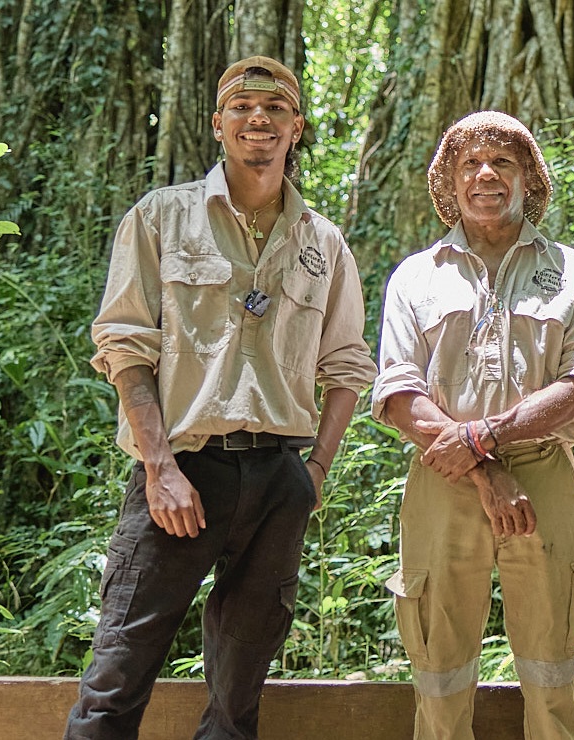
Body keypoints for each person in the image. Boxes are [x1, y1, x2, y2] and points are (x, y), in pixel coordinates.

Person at [69, 55, 373, 740]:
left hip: (277, 478)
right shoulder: (161, 218)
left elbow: (348, 365)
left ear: (297, 127)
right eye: (240, 107)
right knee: (118, 675)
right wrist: (159, 468)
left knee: (238, 697)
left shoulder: (322, 241)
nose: (257, 119)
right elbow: (124, 346)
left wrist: (313, 473)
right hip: (181, 471)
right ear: (217, 124)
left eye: (274, 109)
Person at [373, 111, 574, 740]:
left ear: (529, 177)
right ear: (447, 181)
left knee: (553, 674)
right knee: (440, 676)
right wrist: (482, 468)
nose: (486, 175)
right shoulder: (416, 277)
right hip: (442, 479)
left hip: (544, 480)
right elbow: (398, 394)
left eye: (503, 162)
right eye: (470, 163)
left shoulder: (573, 272)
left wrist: (485, 437)